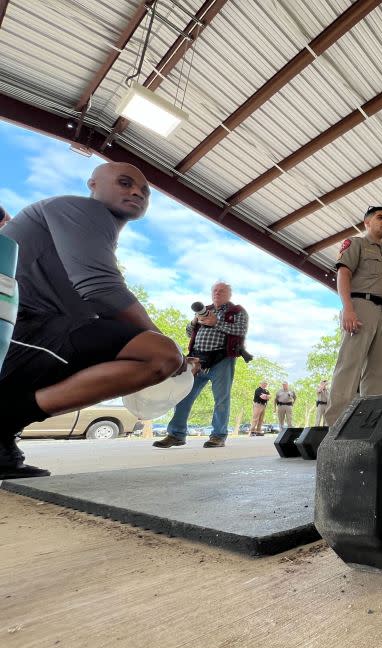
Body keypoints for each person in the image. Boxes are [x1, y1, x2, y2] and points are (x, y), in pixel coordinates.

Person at [0, 162, 184, 478]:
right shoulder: (80, 209)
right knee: (160, 354)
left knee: (128, 353)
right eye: (125, 183)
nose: (137, 192)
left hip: (36, 330)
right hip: (18, 327)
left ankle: (4, 429)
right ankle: (5, 417)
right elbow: (101, 288)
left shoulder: (90, 235)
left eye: (144, 191)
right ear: (93, 184)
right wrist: (169, 345)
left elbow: (93, 310)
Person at [324, 206, 382, 426]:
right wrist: (348, 308)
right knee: (349, 364)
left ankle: (368, 425)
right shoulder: (356, 244)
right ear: (367, 223)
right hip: (360, 306)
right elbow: (343, 273)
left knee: (379, 371)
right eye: (380, 217)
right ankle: (336, 425)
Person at [153, 282, 249, 448]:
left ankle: (218, 436)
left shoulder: (237, 311)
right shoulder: (204, 310)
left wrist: (216, 322)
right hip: (197, 360)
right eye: (215, 290)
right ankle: (176, 434)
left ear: (229, 295)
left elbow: (240, 330)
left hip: (222, 359)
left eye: (222, 291)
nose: (217, 293)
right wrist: (195, 321)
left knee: (221, 399)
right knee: (183, 395)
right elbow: (189, 332)